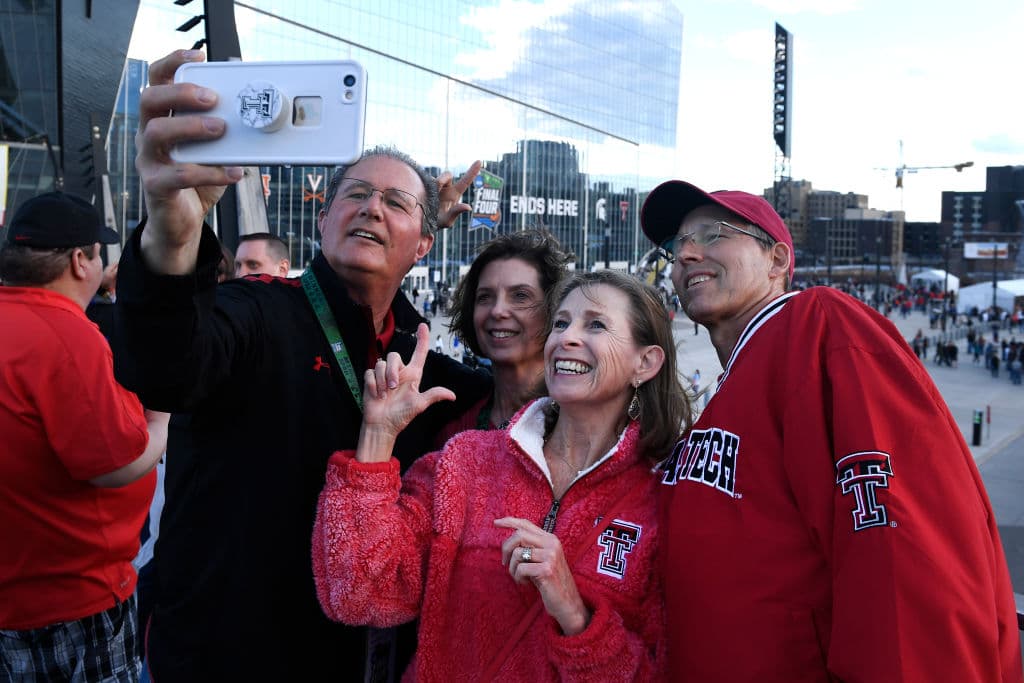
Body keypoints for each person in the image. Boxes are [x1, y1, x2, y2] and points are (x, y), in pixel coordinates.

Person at [112, 49, 492, 681]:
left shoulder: (422, 364)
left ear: (425, 243)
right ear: (323, 220)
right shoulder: (259, 310)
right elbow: (167, 367)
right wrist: (173, 235)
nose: (372, 207)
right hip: (218, 652)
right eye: (357, 194)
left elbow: (519, 392)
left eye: (396, 203)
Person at [640, 180, 1023, 681]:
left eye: (712, 234)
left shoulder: (820, 327)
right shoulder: (734, 383)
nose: (685, 253)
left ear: (777, 261)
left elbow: (904, 557)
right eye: (675, 246)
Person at [313, 270, 691, 680]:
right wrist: (377, 435)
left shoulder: (661, 501)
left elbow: (656, 671)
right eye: (560, 323)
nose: (566, 338)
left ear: (646, 362)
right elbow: (359, 595)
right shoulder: (465, 462)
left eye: (595, 324)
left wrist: (574, 613)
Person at [0, 192, 169, 681]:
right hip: (71, 595)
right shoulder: (67, 336)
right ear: (80, 260)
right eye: (100, 253)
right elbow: (113, 465)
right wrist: (159, 421)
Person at [442, 228, 571, 435]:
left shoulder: (583, 422)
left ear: (554, 309)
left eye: (520, 296)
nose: (497, 310)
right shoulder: (455, 431)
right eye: (485, 297)